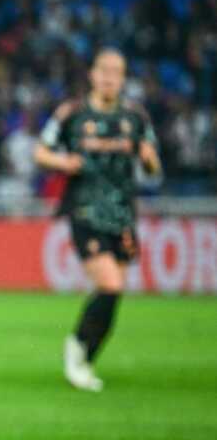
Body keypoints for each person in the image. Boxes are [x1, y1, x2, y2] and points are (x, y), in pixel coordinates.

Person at [34, 48, 161, 392]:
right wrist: (63, 164)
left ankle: (86, 356)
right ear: (92, 74)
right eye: (103, 70)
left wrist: (149, 161)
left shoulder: (136, 117)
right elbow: (40, 151)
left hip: (122, 214)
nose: (109, 77)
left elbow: (153, 168)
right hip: (84, 209)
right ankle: (76, 348)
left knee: (114, 292)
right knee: (110, 284)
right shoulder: (72, 113)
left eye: (116, 72)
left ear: (123, 78)